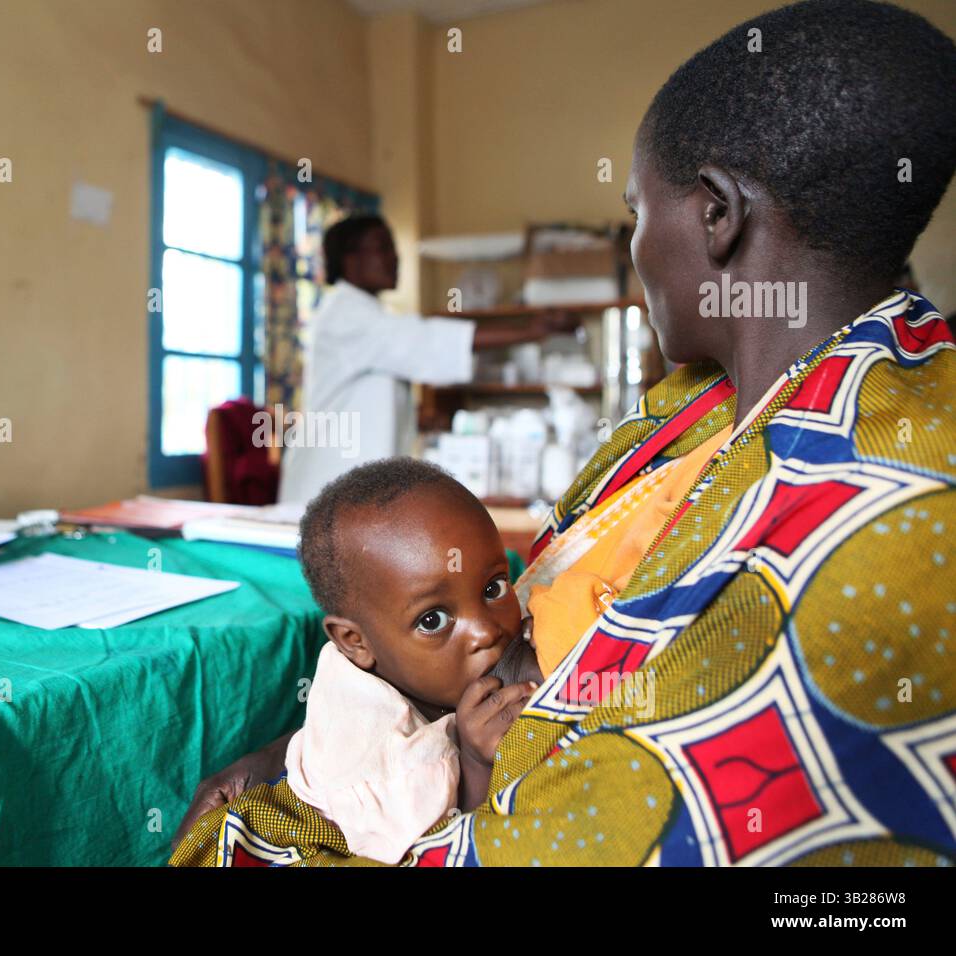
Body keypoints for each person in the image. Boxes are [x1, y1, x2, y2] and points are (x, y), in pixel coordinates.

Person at [172, 0, 956, 866]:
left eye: (635, 213)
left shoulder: (860, 493)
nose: (637, 248)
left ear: (716, 216)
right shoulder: (699, 410)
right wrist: (297, 754)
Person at [274, 458, 541, 864]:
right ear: (355, 642)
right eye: (432, 620)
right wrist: (475, 765)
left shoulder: (400, 657)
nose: (485, 631)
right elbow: (436, 853)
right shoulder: (389, 766)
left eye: (493, 587)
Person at [276, 215, 566, 503]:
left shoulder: (366, 315)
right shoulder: (345, 314)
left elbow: (369, 387)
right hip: (324, 485)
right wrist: (531, 330)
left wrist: (413, 416)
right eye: (383, 248)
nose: (395, 259)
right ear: (351, 260)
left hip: (346, 489)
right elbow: (426, 340)